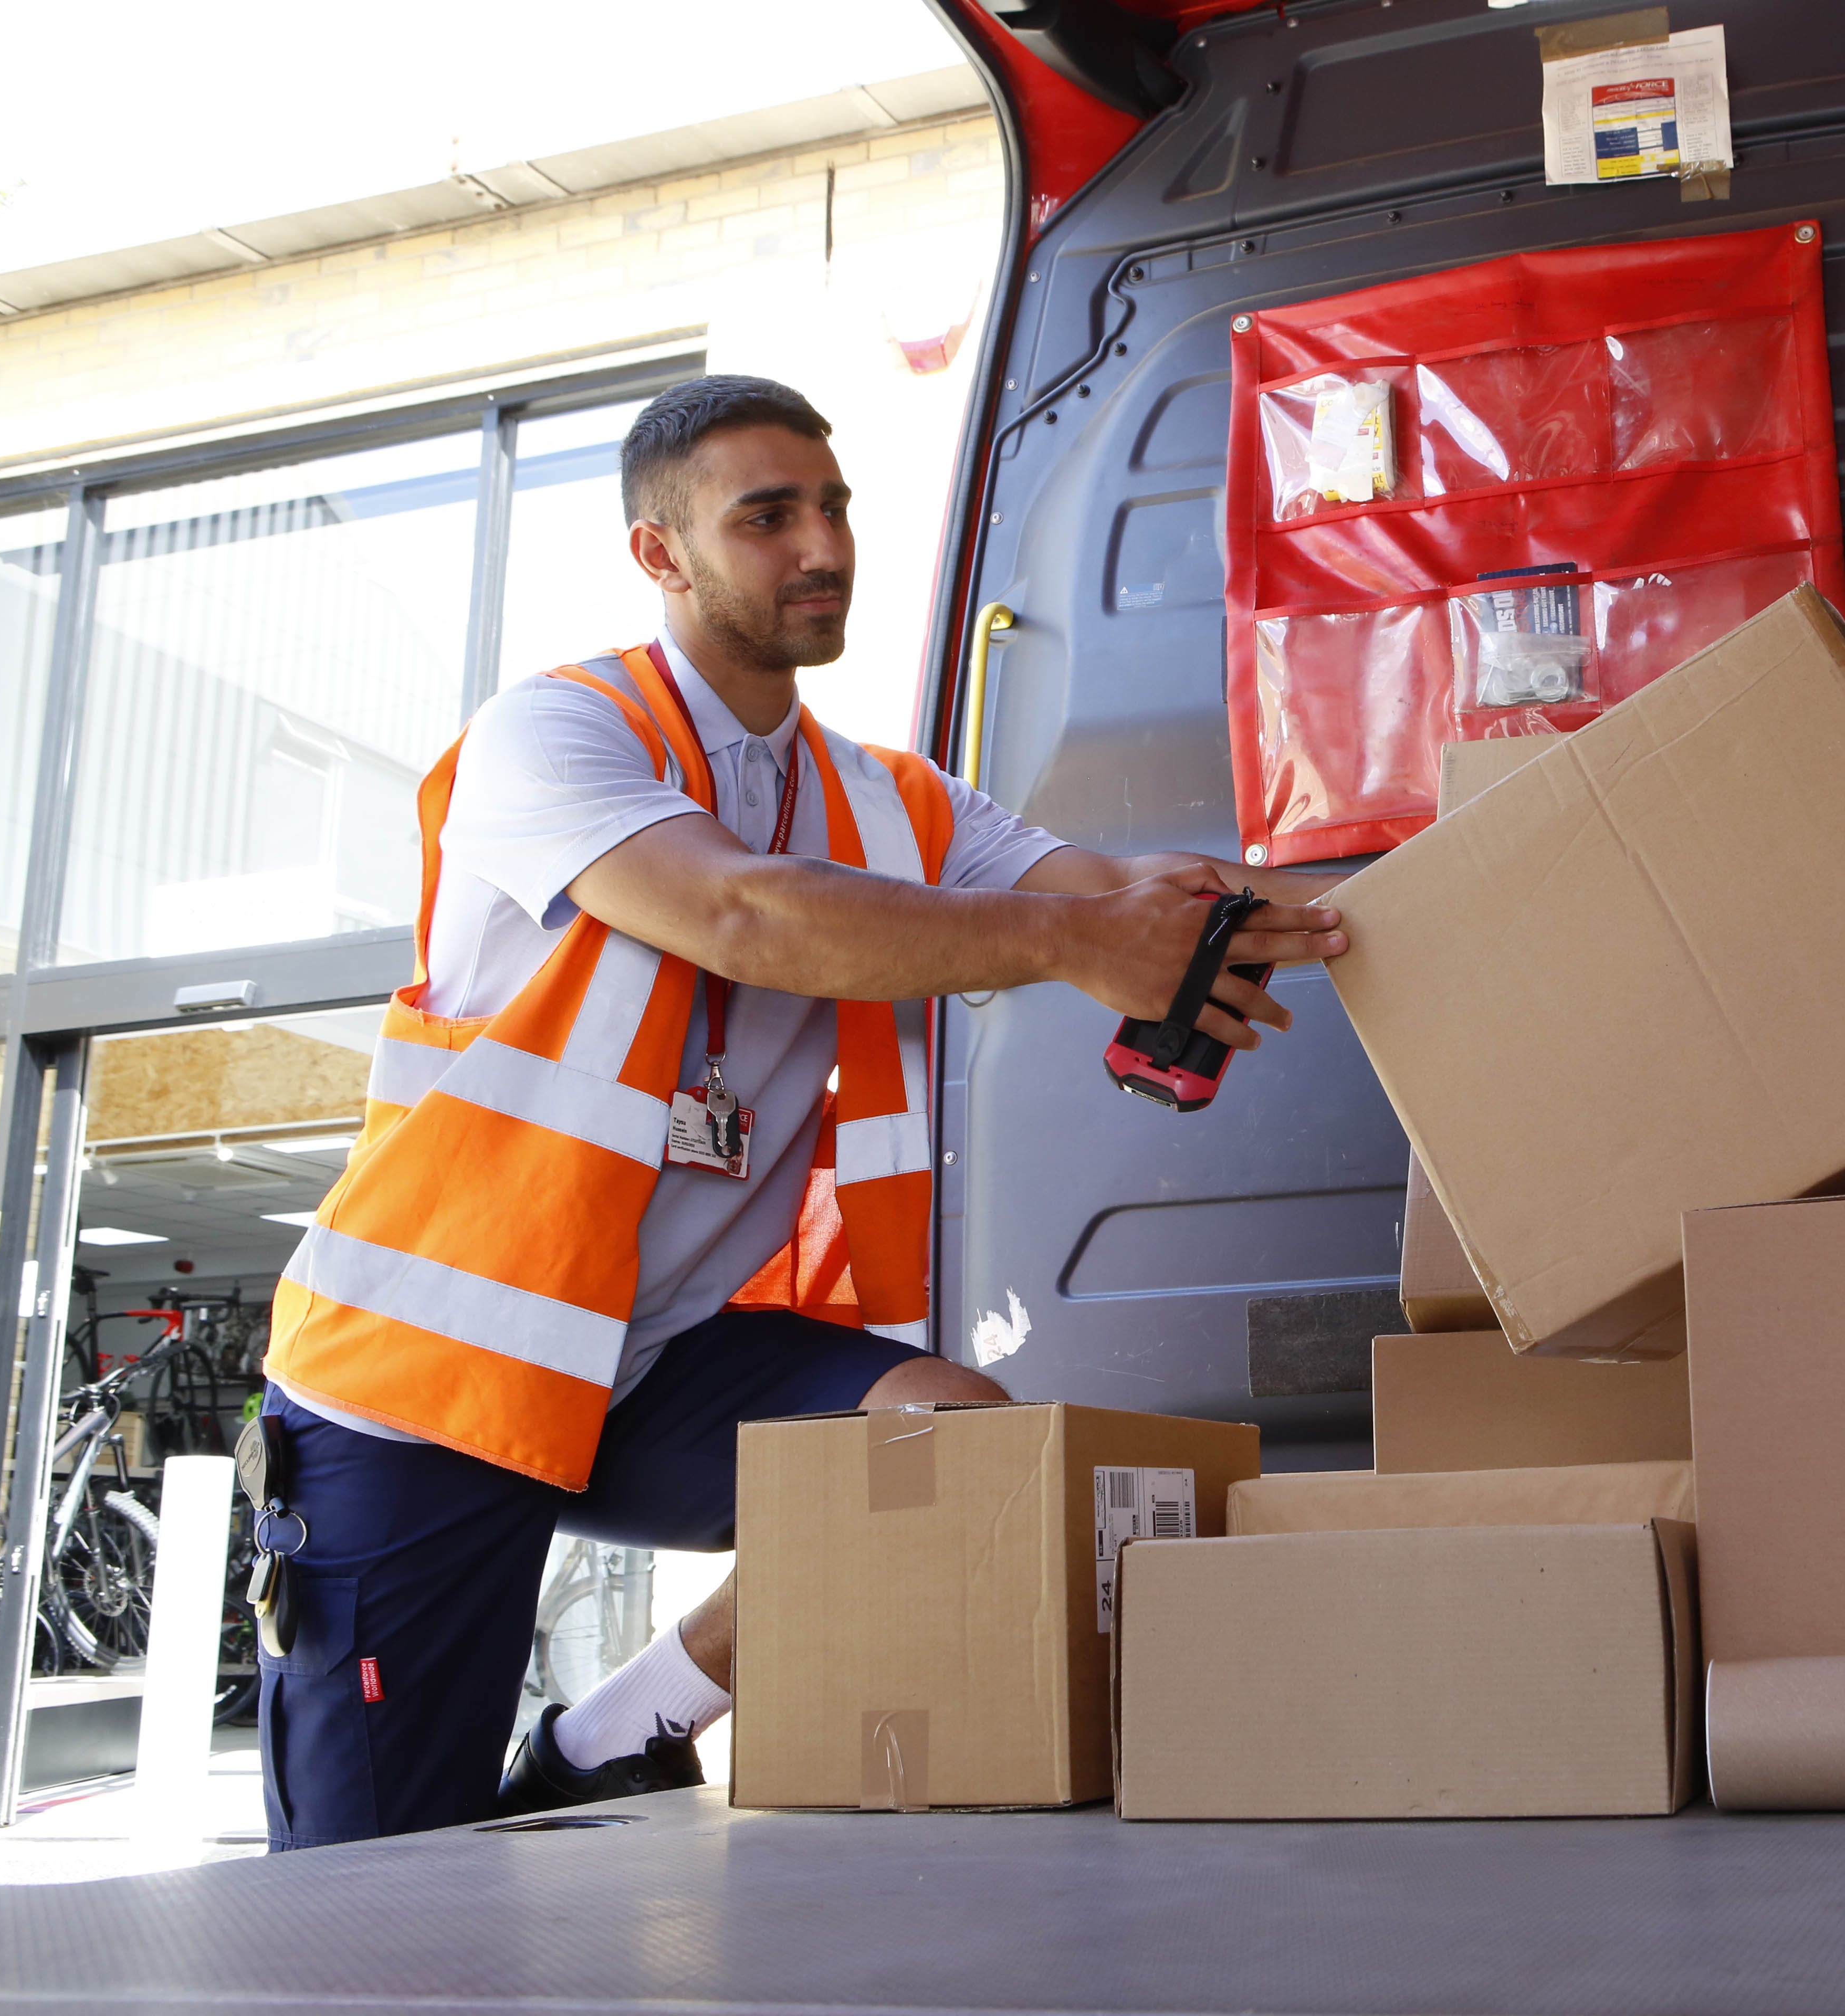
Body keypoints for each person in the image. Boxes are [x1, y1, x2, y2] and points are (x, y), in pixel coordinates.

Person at [252, 375, 1347, 1848]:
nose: (822, 547)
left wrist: (1391, 901)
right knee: (369, 1896)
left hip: (647, 1367)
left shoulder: (890, 801)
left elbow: (1116, 894)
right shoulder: (555, 735)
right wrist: (1084, 948)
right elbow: (745, 913)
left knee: (945, 1442)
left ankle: (612, 1735)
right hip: (433, 1380)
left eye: (832, 509)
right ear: (660, 554)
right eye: (766, 518)